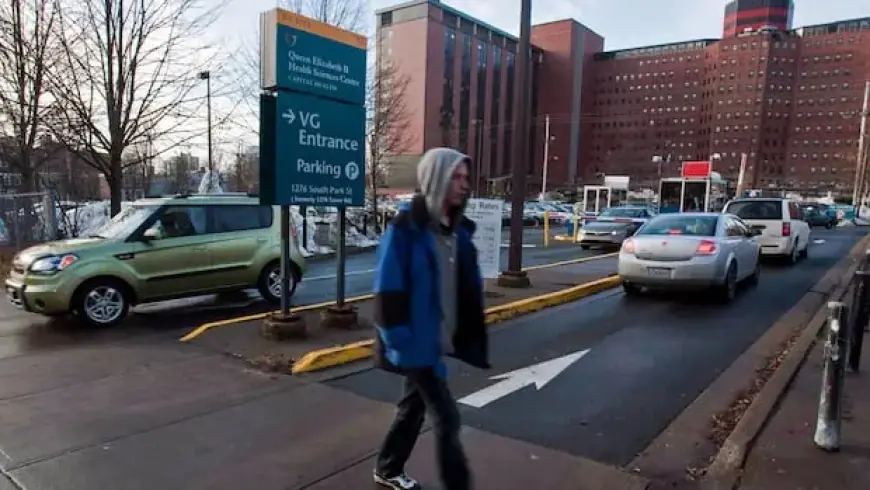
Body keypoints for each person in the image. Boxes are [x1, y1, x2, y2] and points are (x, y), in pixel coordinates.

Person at [371, 147, 490, 490]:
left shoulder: (455, 232)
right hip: (413, 346)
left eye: (466, 177)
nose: (464, 184)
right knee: (447, 418)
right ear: (436, 178)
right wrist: (399, 343)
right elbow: (387, 292)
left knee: (414, 409)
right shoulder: (405, 229)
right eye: (456, 176)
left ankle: (388, 468)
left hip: (433, 343)